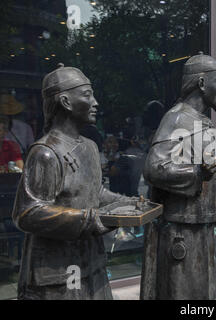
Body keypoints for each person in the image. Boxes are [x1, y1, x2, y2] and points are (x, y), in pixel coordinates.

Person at [12, 63, 132, 300]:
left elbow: (95, 192)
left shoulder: (90, 147)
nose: (96, 102)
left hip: (92, 259)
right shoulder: (46, 153)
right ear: (65, 102)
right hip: (57, 269)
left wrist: (127, 203)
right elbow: (27, 212)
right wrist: (91, 219)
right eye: (87, 95)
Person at [140, 53, 216, 300]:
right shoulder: (178, 118)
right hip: (183, 231)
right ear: (201, 83)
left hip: (205, 227)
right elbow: (154, 168)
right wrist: (196, 172)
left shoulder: (204, 121)